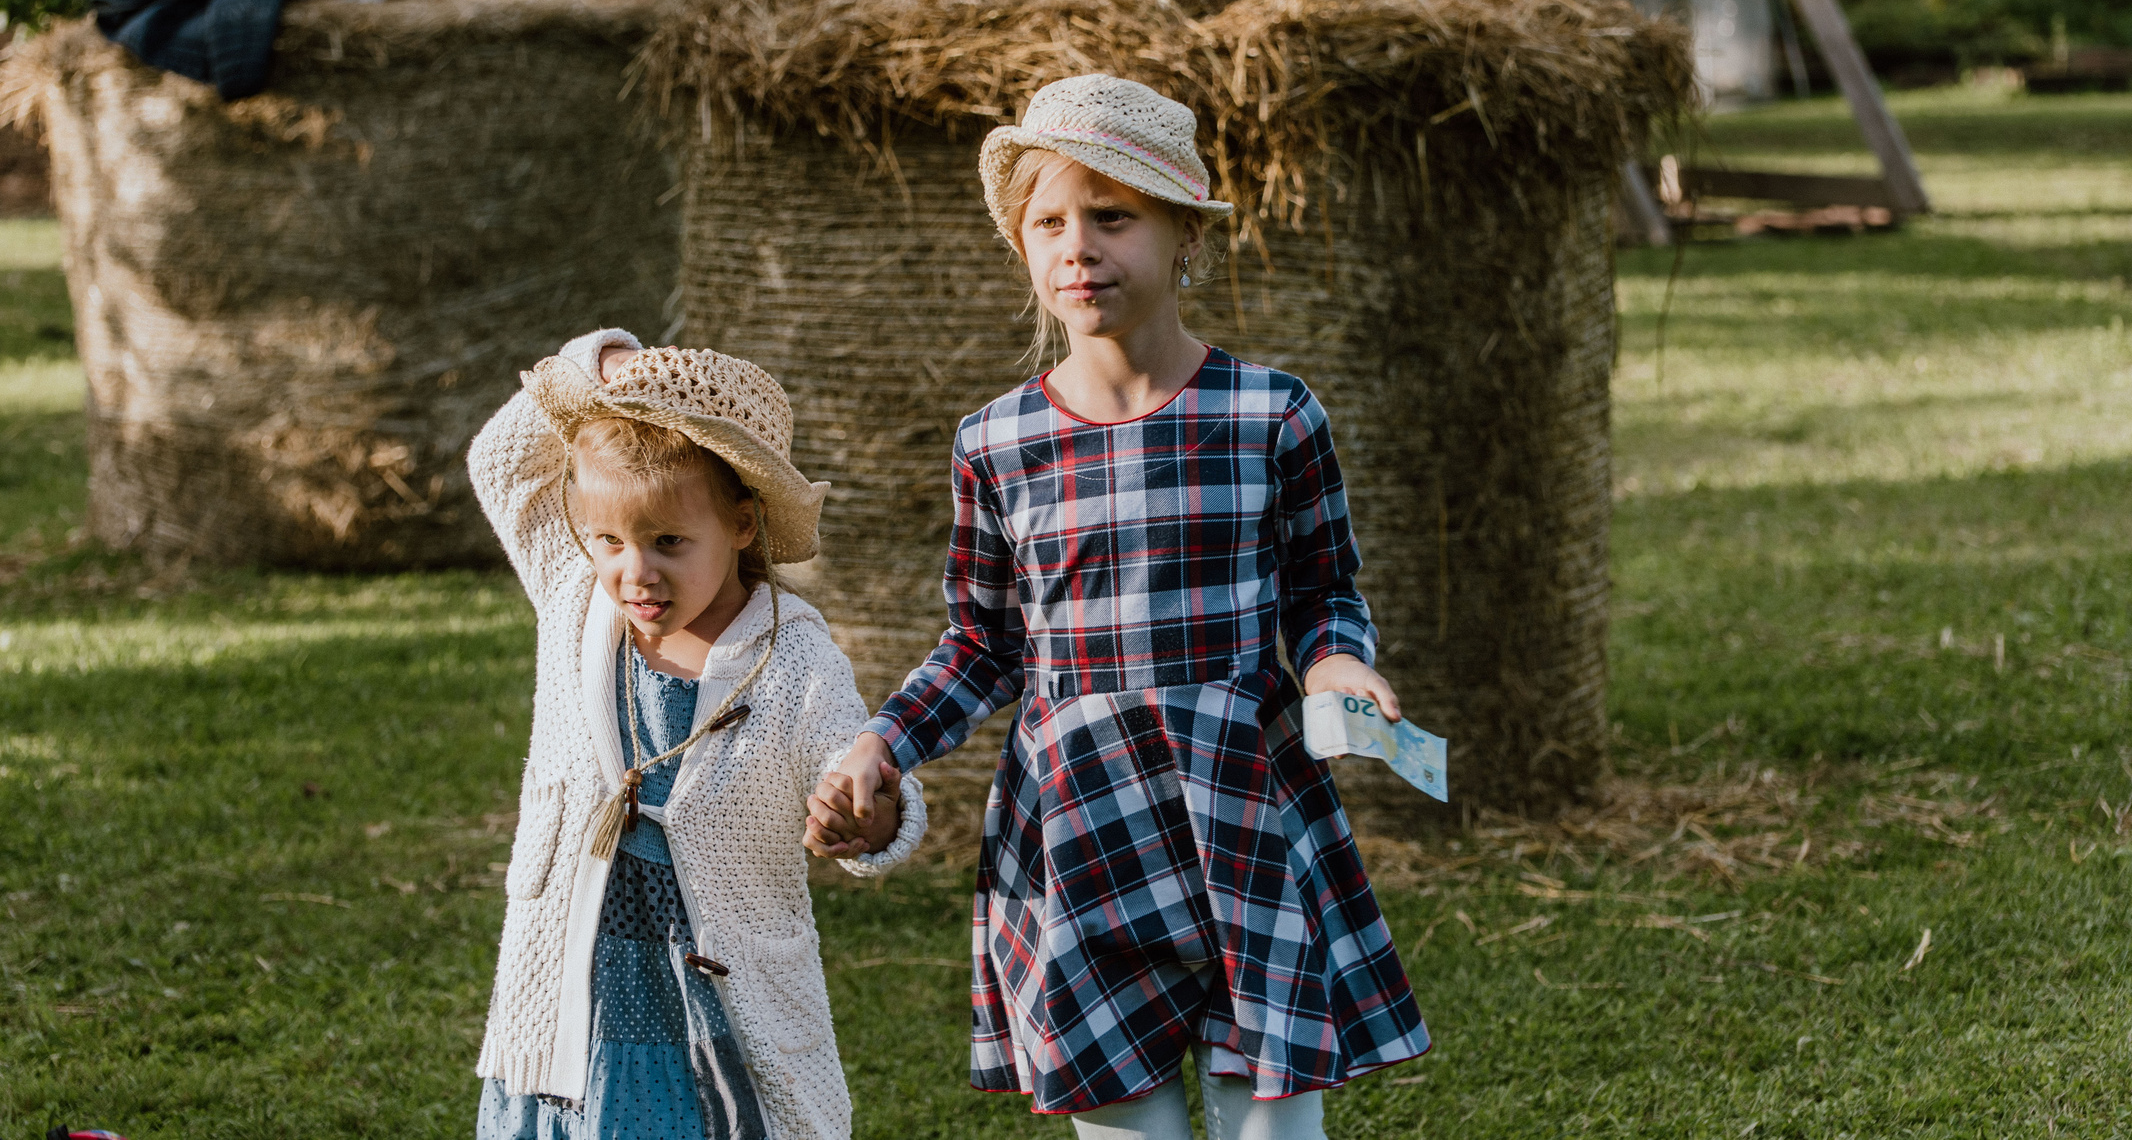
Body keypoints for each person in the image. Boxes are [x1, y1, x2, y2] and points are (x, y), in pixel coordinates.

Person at [809, 75, 1428, 1140]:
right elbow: (981, 641)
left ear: (1185, 232)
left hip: (1244, 807)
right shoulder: (995, 441)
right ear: (1021, 246)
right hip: (1076, 821)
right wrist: (883, 742)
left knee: (1272, 1121)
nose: (1078, 245)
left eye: (1112, 214)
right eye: (1048, 221)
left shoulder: (1271, 413)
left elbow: (1325, 591)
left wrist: (1337, 664)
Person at [468, 334, 926, 1140]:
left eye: (668, 542)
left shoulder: (792, 655)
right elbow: (501, 461)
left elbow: (850, 754)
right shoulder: (577, 598)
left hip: (713, 988)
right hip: (576, 968)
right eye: (609, 540)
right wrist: (597, 366)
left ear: (743, 524)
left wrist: (871, 813)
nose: (634, 571)